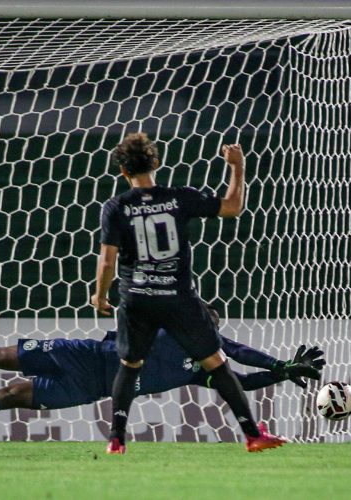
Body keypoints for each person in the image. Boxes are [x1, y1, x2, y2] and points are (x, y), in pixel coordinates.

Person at [91, 132, 279, 453]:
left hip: (137, 297)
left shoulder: (116, 206)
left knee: (130, 364)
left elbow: (108, 259)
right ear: (156, 162)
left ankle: (116, 440)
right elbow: (232, 206)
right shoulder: (179, 198)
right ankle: (252, 435)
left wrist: (100, 295)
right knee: (216, 363)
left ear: (123, 171)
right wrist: (237, 166)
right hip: (177, 298)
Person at [0, 310, 325, 428]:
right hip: (83, 355)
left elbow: (243, 377)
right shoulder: (166, 320)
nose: (206, 325)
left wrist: (282, 370)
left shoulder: (203, 363)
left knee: (9, 398)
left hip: (90, 389)